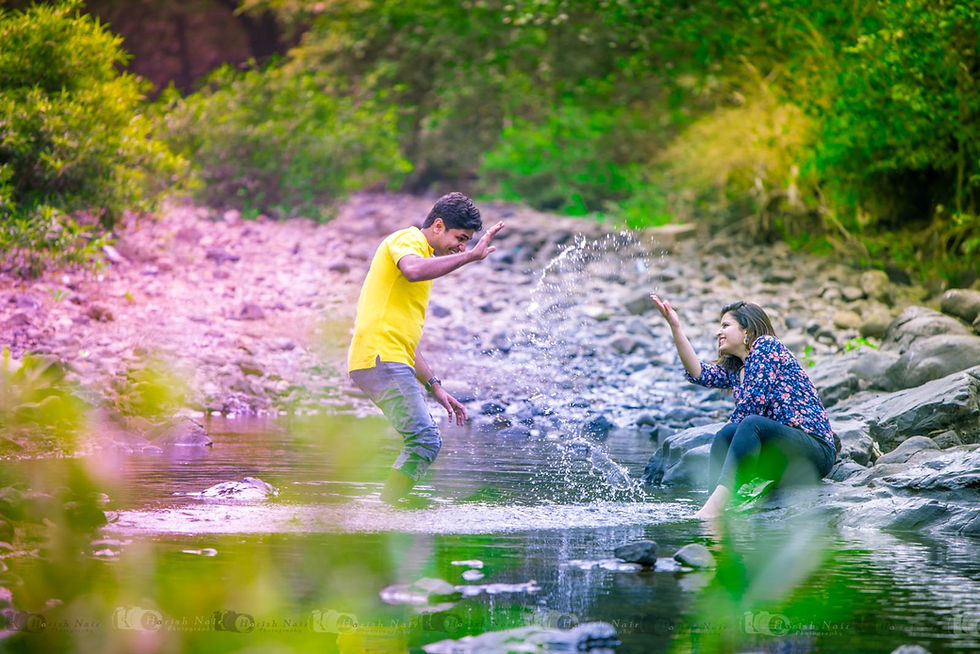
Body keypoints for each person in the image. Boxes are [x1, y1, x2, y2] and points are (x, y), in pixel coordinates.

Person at [348, 192, 504, 504]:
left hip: (387, 357)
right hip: (380, 358)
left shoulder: (424, 259)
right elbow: (413, 269)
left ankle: (385, 508)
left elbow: (405, 342)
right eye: (460, 238)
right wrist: (470, 257)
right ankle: (385, 512)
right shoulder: (407, 240)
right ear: (437, 225)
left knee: (422, 439)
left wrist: (434, 385)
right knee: (425, 440)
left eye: (467, 241)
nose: (462, 246)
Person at [650, 295, 837, 519]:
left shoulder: (766, 346)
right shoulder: (738, 369)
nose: (719, 332)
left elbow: (753, 406)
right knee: (726, 433)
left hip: (814, 451)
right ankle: (715, 501)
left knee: (749, 423)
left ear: (747, 330)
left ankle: (713, 509)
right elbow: (697, 372)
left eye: (726, 326)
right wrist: (675, 326)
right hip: (779, 458)